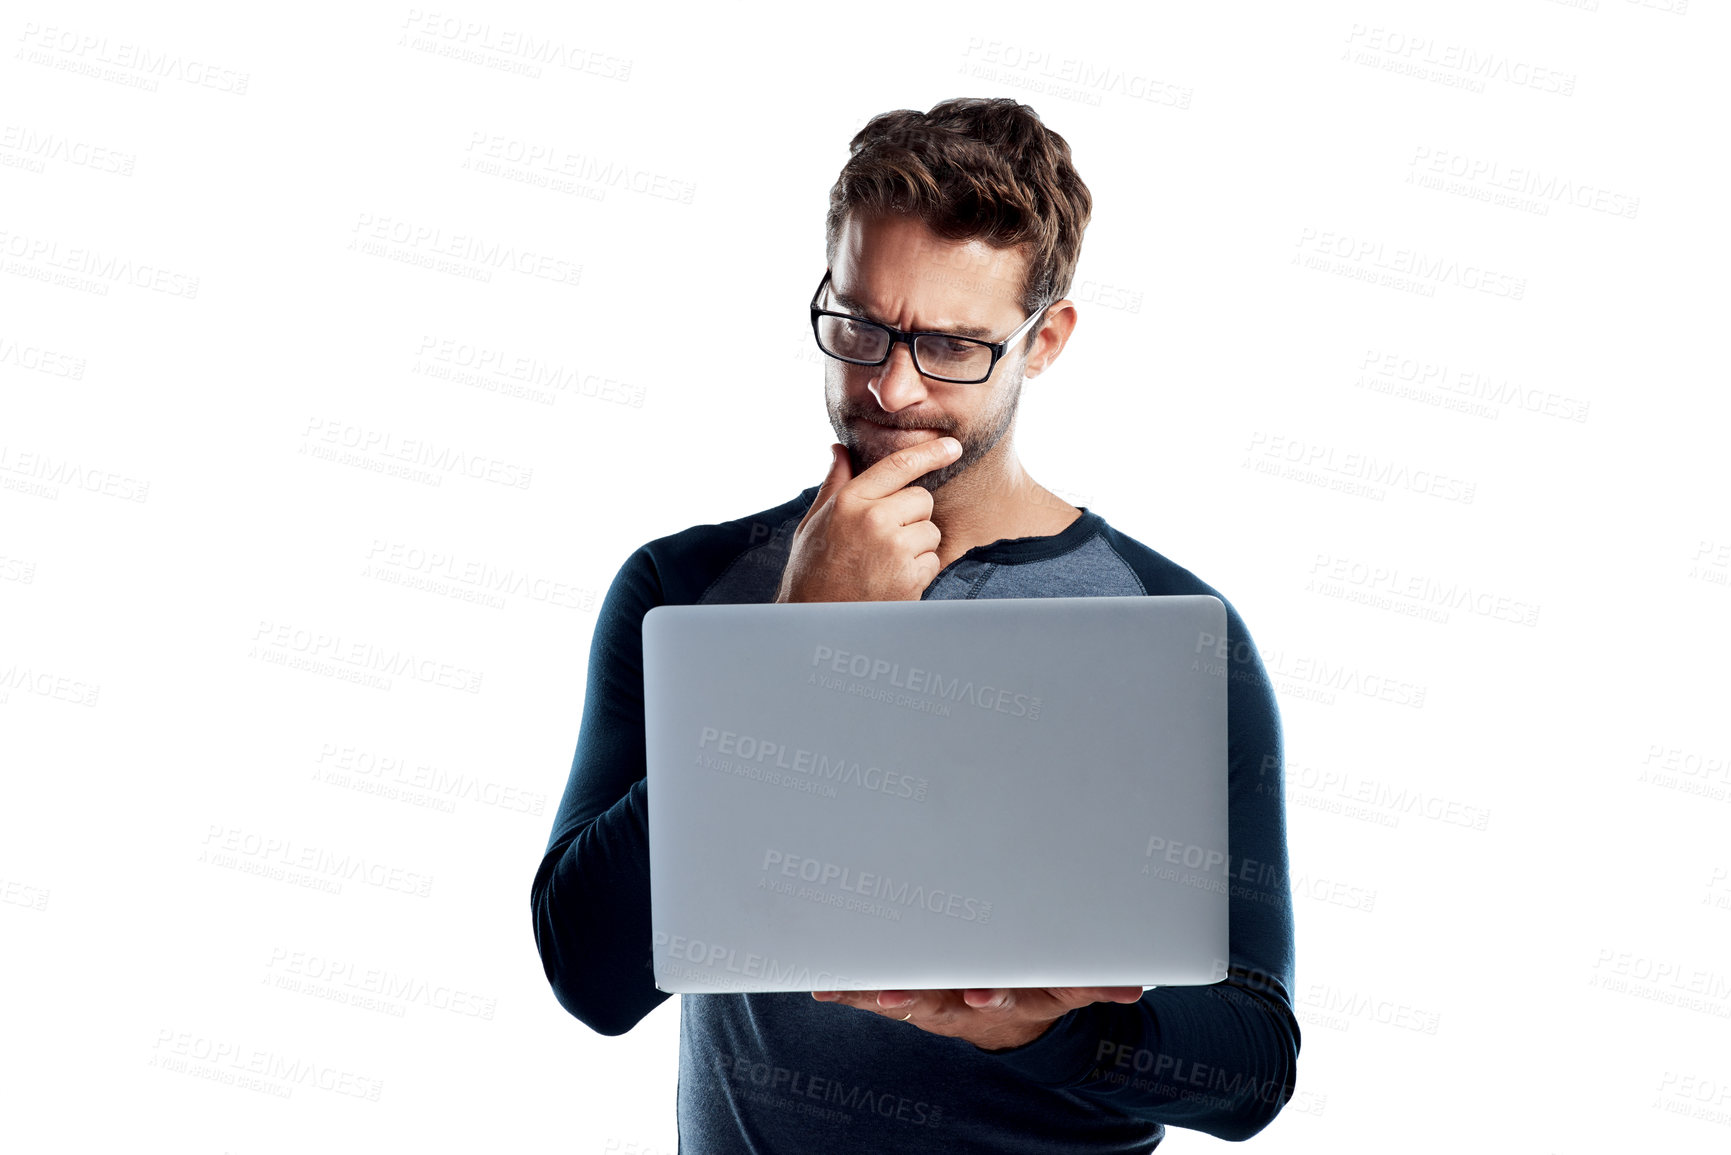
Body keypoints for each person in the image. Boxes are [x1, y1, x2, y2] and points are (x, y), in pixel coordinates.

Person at [531, 96, 1300, 1151]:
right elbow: (593, 975)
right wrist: (797, 654)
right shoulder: (689, 584)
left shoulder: (1171, 631)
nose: (890, 385)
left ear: (1048, 339)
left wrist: (1050, 1034)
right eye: (860, 326)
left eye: (951, 345)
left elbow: (1252, 1066)